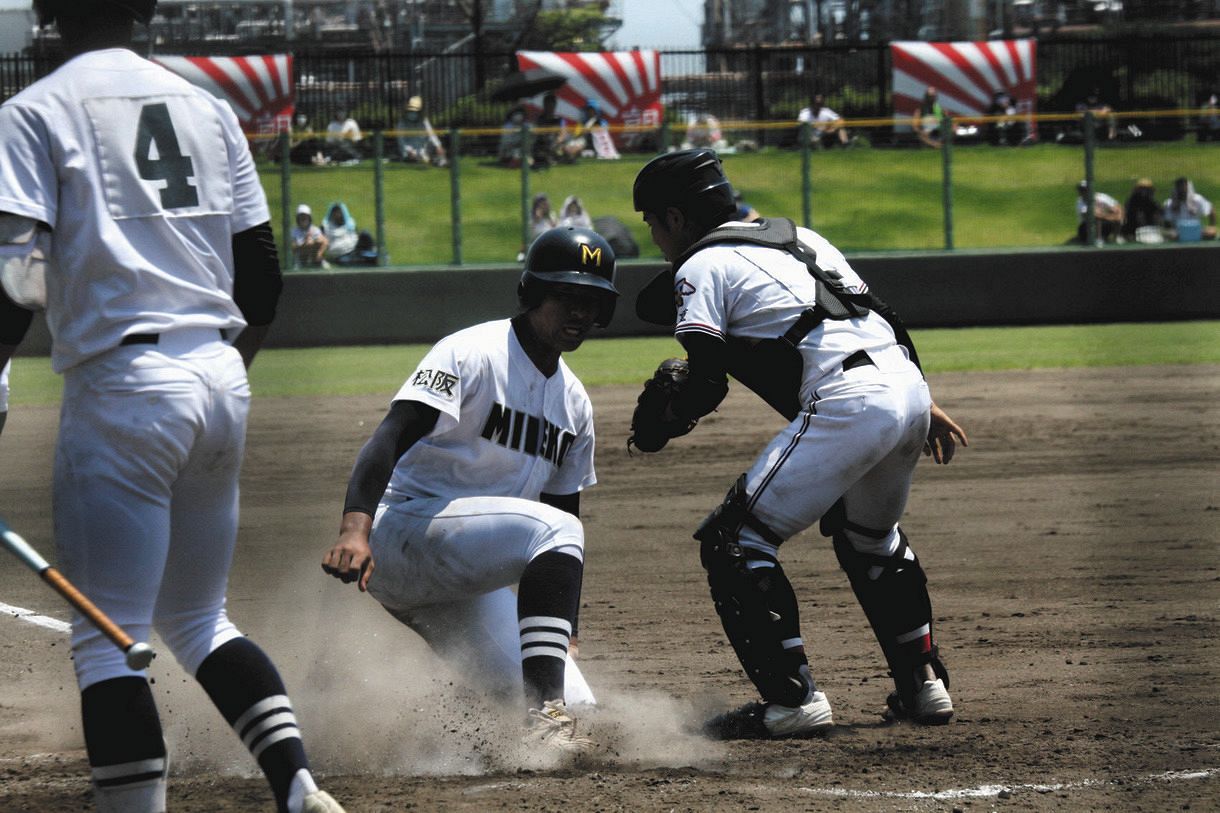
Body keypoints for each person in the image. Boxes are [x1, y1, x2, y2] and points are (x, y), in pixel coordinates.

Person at [0, 2, 345, 812]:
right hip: (220, 375)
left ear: (50, 16)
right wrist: (221, 377)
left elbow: (16, 283)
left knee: (108, 636)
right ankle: (297, 786)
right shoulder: (207, 104)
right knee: (198, 618)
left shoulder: (33, 110)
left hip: (123, 388)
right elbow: (261, 277)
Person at [629, 149, 968, 740]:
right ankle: (923, 685)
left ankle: (792, 700)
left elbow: (707, 381)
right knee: (871, 538)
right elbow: (881, 315)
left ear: (677, 218)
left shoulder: (699, 266)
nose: (654, 236)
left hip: (849, 397)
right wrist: (924, 398)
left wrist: (663, 421)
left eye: (652, 222)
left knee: (734, 540)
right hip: (906, 386)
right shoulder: (800, 238)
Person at [321, 226, 620, 755]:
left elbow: (562, 508)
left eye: (592, 302)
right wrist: (355, 528)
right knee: (556, 533)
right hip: (402, 535)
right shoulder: (473, 352)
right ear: (532, 293)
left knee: (579, 712)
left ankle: (475, 734)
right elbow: (390, 436)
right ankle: (542, 715)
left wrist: (564, 632)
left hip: (464, 584)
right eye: (567, 297)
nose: (580, 313)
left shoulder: (574, 404)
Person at [395, 95, 447, 167]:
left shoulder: (424, 121)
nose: (413, 113)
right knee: (414, 158)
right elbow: (401, 141)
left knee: (437, 149)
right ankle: (431, 160)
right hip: (409, 151)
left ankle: (440, 161)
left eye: (415, 111)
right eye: (411, 111)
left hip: (424, 149)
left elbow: (431, 134)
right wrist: (408, 151)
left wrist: (438, 146)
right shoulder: (401, 123)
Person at [321, 201, 377, 266]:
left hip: (355, 249)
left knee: (365, 233)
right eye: (335, 212)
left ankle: (375, 253)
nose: (338, 215)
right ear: (331, 213)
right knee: (346, 261)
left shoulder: (350, 223)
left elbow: (356, 235)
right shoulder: (326, 226)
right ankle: (369, 260)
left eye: (339, 212)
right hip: (340, 254)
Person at [1162, 176, 1217, 241]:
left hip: (1197, 231)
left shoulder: (1197, 199)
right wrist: (1170, 231)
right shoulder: (1169, 203)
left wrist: (1212, 226)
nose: (1181, 189)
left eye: (1183, 186)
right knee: (1170, 235)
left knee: (1210, 233)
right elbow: (1167, 222)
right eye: (1179, 187)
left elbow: (1211, 210)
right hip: (1178, 233)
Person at [1121, 178, 1164, 242]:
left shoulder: (1152, 201)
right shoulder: (1132, 201)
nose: (1144, 191)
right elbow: (1128, 214)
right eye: (1142, 189)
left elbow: (1160, 212)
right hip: (1133, 227)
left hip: (1150, 227)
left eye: (1146, 189)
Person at [291, 204, 330, 269]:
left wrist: (314, 242)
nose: (303, 219)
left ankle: (319, 260)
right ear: (298, 218)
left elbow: (325, 241)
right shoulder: (294, 231)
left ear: (309, 218)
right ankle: (299, 263)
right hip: (301, 255)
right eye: (301, 217)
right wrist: (304, 243)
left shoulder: (315, 229)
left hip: (313, 254)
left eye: (305, 217)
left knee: (319, 242)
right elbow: (292, 247)